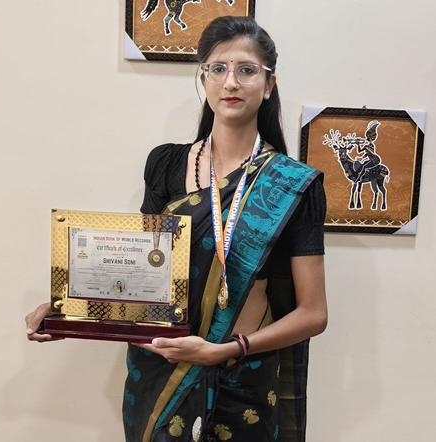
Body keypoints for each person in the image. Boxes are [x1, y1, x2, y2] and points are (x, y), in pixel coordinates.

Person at [25, 16, 328, 442]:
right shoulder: (166, 164)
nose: (231, 82)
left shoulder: (291, 184)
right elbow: (138, 278)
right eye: (218, 68)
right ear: (203, 78)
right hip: (161, 371)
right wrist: (66, 311)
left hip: (242, 378)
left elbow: (314, 314)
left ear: (268, 84)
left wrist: (225, 350)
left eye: (246, 70)